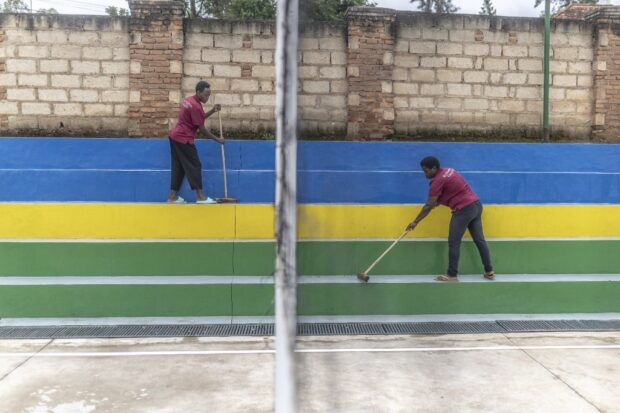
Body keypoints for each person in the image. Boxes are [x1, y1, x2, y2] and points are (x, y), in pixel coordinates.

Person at [406, 156, 495, 282]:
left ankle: (452, 275)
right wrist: (435, 203)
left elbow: (429, 205)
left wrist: (415, 222)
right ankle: (489, 271)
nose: (425, 174)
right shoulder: (449, 171)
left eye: (426, 171)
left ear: (435, 168)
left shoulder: (436, 181)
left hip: (463, 209)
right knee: (479, 239)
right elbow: (450, 192)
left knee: (454, 242)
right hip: (476, 205)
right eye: (423, 171)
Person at [167, 80, 224, 204]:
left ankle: (172, 196)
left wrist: (213, 110)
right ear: (198, 92)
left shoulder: (190, 100)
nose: (207, 97)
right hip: (183, 139)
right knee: (195, 165)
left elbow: (198, 118)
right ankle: (200, 196)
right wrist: (217, 139)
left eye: (209, 95)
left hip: (175, 136)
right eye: (205, 94)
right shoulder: (196, 106)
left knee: (179, 167)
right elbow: (202, 128)